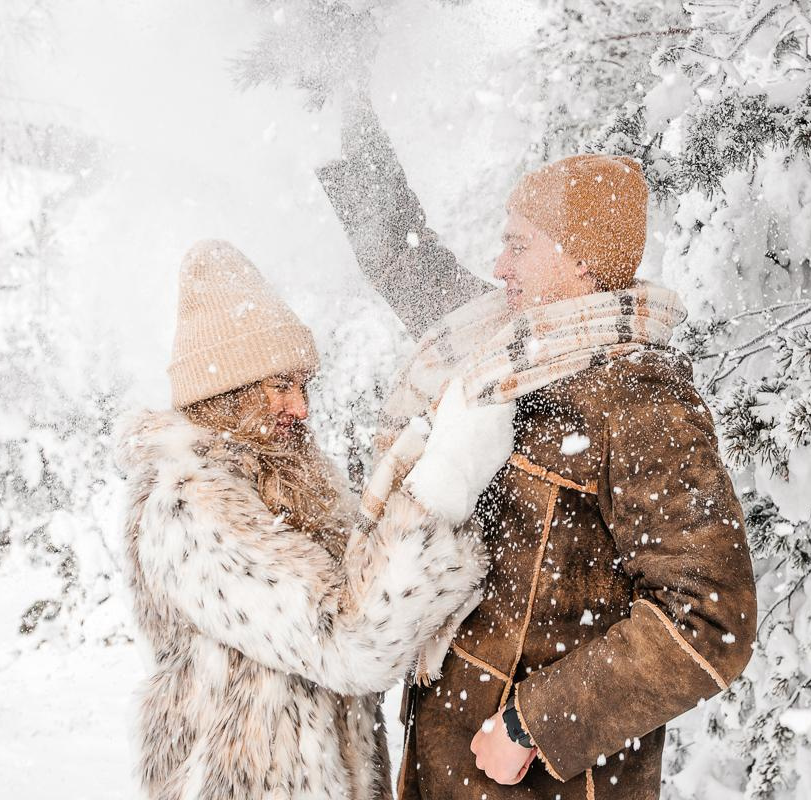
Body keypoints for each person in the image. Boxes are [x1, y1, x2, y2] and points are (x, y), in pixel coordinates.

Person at [316, 96, 758, 800]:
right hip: (446, 765)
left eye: (518, 244)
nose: (498, 265)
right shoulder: (506, 349)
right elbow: (408, 262)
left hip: (543, 783)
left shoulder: (642, 401)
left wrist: (535, 725)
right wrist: (352, 107)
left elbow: (711, 618)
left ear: (579, 261)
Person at [116, 240, 513, 800]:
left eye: (304, 386)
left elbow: (361, 586)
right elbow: (348, 641)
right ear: (226, 392)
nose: (301, 408)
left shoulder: (286, 480)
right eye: (281, 386)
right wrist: (437, 498)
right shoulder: (189, 505)